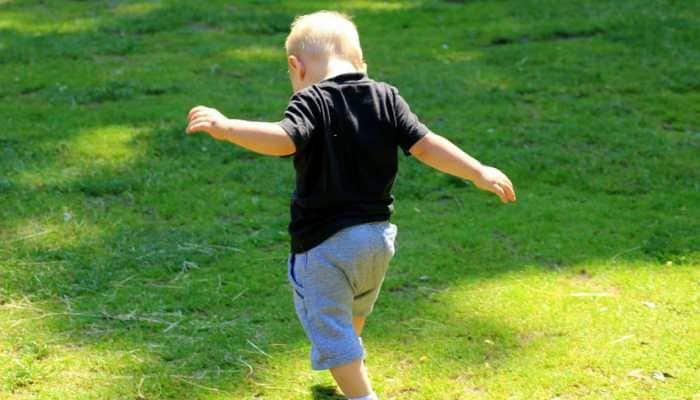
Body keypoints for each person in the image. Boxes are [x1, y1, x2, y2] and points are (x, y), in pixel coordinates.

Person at [185, 10, 516, 400]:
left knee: (328, 324)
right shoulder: (386, 96)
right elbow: (426, 144)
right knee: (353, 310)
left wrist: (227, 128)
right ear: (361, 62)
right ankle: (351, 366)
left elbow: (282, 138)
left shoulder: (311, 100)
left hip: (324, 247)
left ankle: (361, 394)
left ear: (297, 66)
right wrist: (477, 170)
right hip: (377, 241)